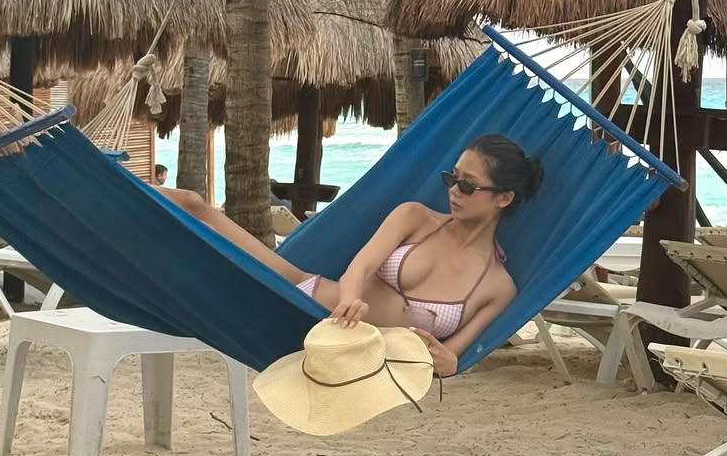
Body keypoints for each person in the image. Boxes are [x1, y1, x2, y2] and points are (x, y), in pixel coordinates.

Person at [160, 134, 543, 378]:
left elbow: (451, 357)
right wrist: (350, 297)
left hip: (350, 362)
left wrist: (448, 362)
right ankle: (132, 195)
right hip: (301, 300)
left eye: (468, 186)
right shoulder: (416, 217)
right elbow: (360, 266)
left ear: (504, 198)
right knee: (196, 212)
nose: (454, 191)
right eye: (452, 178)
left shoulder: (498, 287)